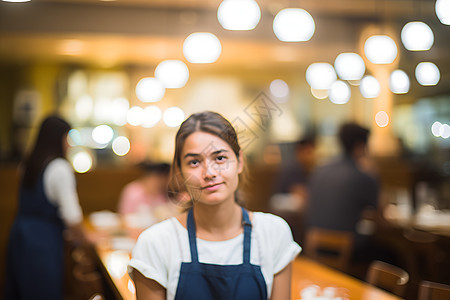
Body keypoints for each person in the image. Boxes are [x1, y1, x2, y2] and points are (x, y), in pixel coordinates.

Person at [128, 111, 301, 300]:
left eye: (220, 158)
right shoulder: (156, 243)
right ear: (179, 171)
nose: (209, 172)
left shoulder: (273, 233)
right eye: (194, 162)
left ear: (240, 162)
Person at [4, 115, 88, 300]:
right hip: (42, 240)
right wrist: (88, 239)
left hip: (19, 234)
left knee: (20, 291)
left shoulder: (29, 163)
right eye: (68, 137)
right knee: (43, 291)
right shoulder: (59, 167)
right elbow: (72, 218)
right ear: (59, 138)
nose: (69, 144)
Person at [306, 122, 379, 253]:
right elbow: (378, 214)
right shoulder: (363, 176)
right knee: (388, 253)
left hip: (314, 243)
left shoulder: (320, 170)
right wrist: (373, 172)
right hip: (344, 248)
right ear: (360, 146)